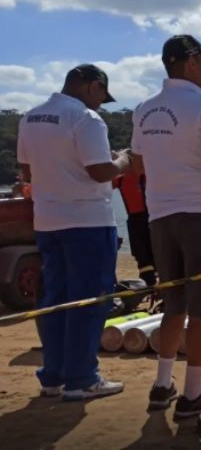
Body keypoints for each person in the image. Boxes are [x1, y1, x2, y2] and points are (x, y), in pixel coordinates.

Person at [131, 35, 201, 419]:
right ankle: (193, 394)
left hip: (161, 216)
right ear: (191, 62)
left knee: (174, 302)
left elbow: (139, 164)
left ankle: (162, 385)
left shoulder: (144, 111)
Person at [16, 64, 131, 400]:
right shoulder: (86, 119)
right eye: (100, 96)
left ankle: (52, 376)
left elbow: (27, 170)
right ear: (92, 86)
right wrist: (124, 160)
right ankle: (81, 378)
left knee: (55, 299)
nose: (99, 105)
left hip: (48, 220)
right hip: (88, 220)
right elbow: (100, 172)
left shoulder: (31, 117)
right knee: (89, 300)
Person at [113, 170, 156, 286]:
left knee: (157, 254)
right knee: (140, 255)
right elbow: (102, 188)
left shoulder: (148, 171)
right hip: (134, 220)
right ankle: (149, 283)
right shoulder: (120, 177)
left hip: (152, 217)